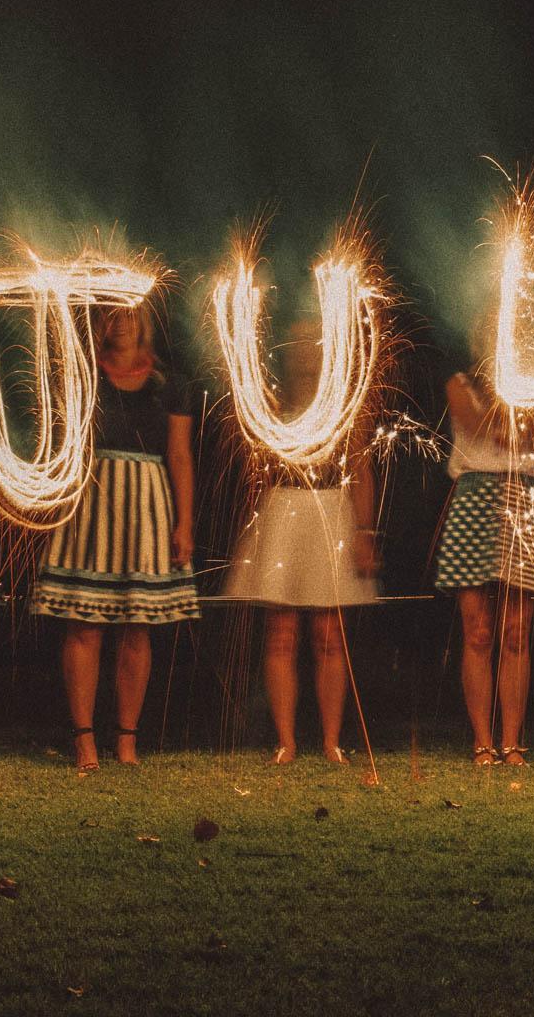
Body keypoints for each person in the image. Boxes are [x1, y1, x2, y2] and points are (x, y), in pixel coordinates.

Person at [30, 303, 200, 771]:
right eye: (110, 313)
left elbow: (180, 456)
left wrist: (184, 522)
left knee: (137, 625)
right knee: (84, 623)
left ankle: (126, 740)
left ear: (145, 319)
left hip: (147, 501)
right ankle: (84, 741)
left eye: (130, 312)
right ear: (99, 321)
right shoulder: (85, 375)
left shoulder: (170, 383)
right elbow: (63, 440)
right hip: (92, 500)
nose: (120, 320)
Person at [222, 322, 379, 764]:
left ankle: (330, 742)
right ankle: (286, 741)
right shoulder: (269, 404)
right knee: (281, 633)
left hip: (331, 510)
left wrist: (364, 532)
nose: (308, 355)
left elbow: (363, 471)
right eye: (301, 347)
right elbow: (254, 471)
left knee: (329, 636)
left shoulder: (349, 406)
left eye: (317, 344)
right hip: (282, 513)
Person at [433, 344, 534, 766]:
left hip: (521, 497)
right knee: (478, 631)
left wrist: (524, 412)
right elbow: (482, 427)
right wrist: (514, 413)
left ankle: (512, 741)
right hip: (474, 499)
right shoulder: (460, 384)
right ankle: (482, 741)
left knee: (517, 631)